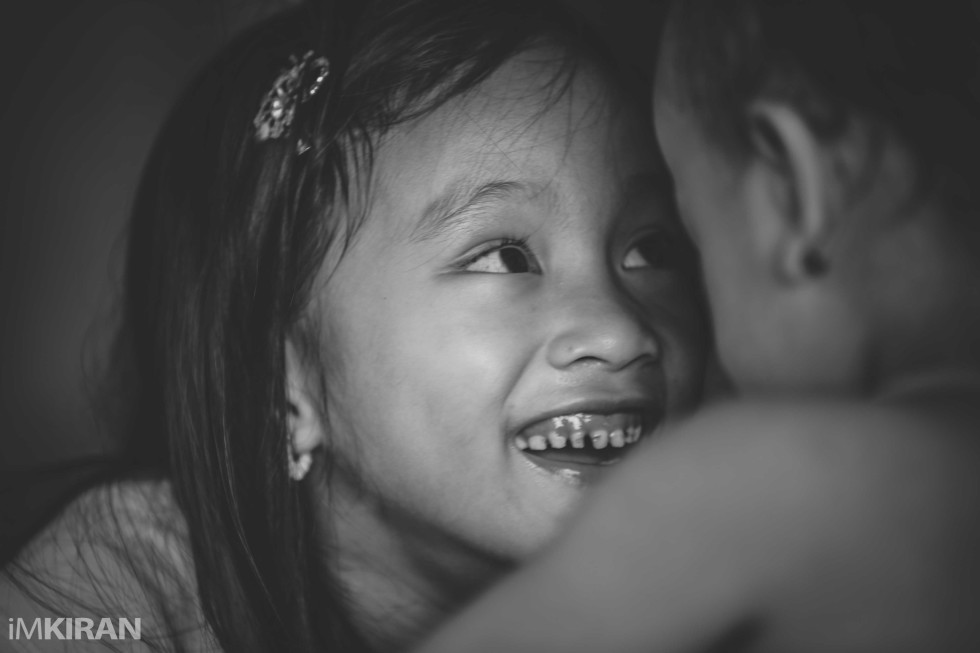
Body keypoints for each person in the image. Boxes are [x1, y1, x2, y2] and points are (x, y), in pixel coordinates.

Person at [0, 1, 707, 651]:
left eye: (652, 248)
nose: (621, 331)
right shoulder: (108, 591)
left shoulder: (721, 572)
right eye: (504, 256)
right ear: (283, 378)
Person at [415, 1, 980, 651]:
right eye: (505, 258)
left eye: (676, 241)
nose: (622, 332)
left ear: (792, 196)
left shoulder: (758, 487)